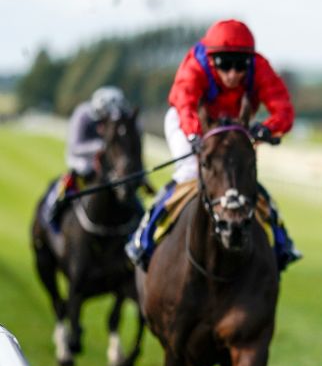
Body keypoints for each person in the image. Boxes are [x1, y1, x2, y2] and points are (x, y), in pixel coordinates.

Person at [126, 19, 300, 270]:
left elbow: (283, 109)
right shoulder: (196, 65)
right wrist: (195, 135)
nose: (232, 74)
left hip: (233, 131)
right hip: (189, 124)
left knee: (244, 179)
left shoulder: (259, 67)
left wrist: (266, 128)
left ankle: (282, 243)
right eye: (224, 65)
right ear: (211, 60)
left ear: (250, 61)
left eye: (240, 66)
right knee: (189, 172)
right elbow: (184, 104)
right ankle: (143, 238)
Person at [45, 86, 135, 228]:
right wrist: (101, 146)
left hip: (108, 162)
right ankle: (53, 206)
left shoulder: (119, 117)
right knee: (83, 170)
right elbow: (75, 146)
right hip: (83, 160)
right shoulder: (82, 114)